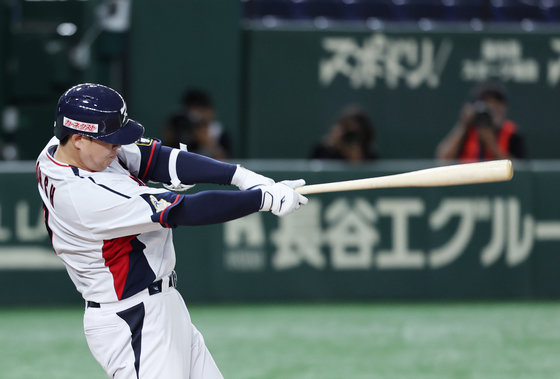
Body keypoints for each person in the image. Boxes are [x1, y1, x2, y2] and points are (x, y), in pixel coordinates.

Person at [35, 83, 308, 378]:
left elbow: (159, 159)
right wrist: (262, 199)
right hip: (132, 320)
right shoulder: (82, 196)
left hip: (160, 305)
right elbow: (186, 210)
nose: (117, 147)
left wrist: (242, 176)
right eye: (110, 141)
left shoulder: (60, 148)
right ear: (77, 138)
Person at [435, 80, 526, 162]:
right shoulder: (467, 130)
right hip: (469, 179)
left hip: (499, 180)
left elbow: (519, 171)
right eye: (487, 103)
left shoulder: (512, 133)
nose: (492, 108)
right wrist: (463, 125)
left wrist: (491, 144)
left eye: (497, 103)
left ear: (504, 108)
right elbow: (443, 159)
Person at [162, 89, 232, 160]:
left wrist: (207, 142)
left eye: (200, 110)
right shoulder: (180, 126)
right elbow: (166, 152)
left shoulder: (218, 132)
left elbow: (226, 163)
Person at [310, 105, 378, 163]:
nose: (349, 137)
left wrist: (356, 158)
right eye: (346, 129)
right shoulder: (322, 150)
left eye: (353, 134)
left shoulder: (370, 156)